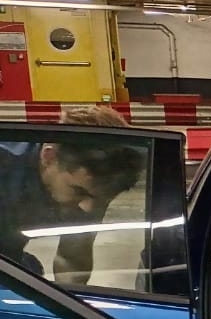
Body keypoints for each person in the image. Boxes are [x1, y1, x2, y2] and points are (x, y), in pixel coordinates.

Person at [0, 106, 145, 284]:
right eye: (78, 191)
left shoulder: (91, 191)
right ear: (49, 157)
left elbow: (72, 258)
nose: (87, 208)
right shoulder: (5, 164)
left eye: (100, 199)